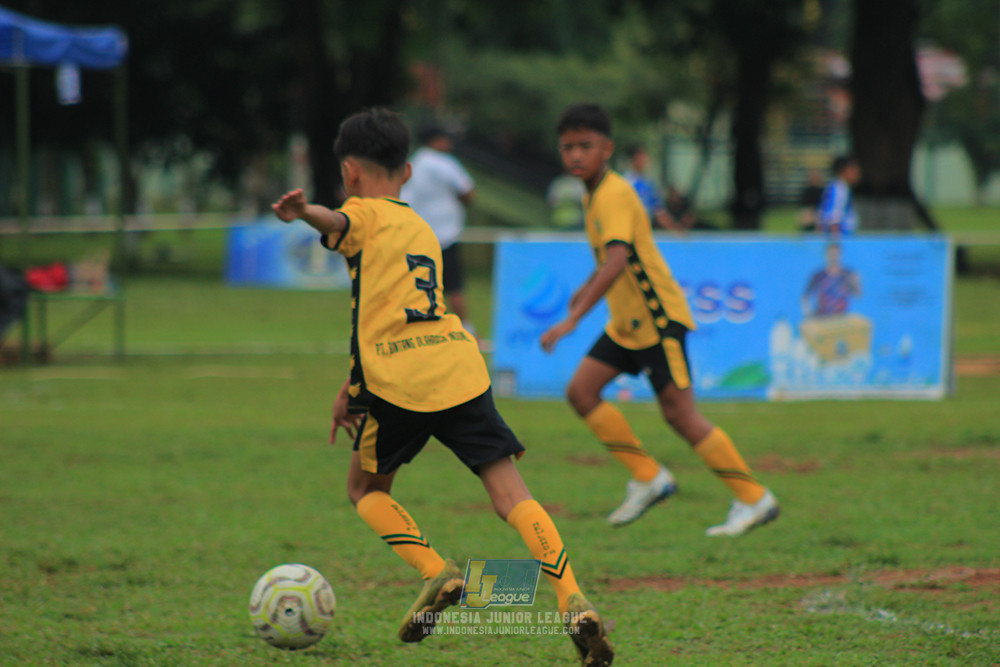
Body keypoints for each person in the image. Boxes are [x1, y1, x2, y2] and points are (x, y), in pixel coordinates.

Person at [272, 108, 613, 666]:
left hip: (399, 380)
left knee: (367, 491)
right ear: (407, 173)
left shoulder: (359, 213)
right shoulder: (421, 227)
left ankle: (437, 572)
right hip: (458, 366)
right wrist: (347, 387)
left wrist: (302, 212)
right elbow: (394, 310)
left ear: (350, 173)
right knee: (513, 496)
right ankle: (570, 595)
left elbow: (337, 225)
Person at [540, 103, 779, 536]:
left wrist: (574, 317)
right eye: (568, 147)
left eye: (585, 146)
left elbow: (617, 260)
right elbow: (617, 258)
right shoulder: (595, 192)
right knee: (581, 391)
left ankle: (754, 498)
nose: (576, 155)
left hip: (657, 321)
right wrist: (585, 286)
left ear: (607, 148)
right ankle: (648, 477)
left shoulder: (613, 193)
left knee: (682, 416)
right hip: (627, 325)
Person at [400, 122, 477, 334]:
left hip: (419, 232)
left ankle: (419, 328)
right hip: (445, 233)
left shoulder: (414, 163)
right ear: (435, 140)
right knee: (454, 284)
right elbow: (468, 191)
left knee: (420, 283)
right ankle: (466, 329)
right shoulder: (444, 162)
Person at [802, 242, 861, 317]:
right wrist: (808, 314)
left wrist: (856, 283)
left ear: (840, 255)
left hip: (841, 317)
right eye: (831, 254)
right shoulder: (818, 275)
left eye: (836, 254)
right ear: (826, 255)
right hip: (822, 317)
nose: (833, 257)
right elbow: (805, 297)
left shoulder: (848, 274)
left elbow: (858, 295)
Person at [621, 146, 673, 230]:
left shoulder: (648, 183)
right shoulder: (626, 182)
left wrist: (675, 229)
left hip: (644, 230)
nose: (644, 161)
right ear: (634, 159)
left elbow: (659, 210)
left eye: (645, 158)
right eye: (641, 158)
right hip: (628, 230)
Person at [817, 155, 860, 237]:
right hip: (840, 238)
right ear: (842, 170)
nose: (857, 171)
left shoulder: (837, 186)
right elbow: (834, 219)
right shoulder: (840, 189)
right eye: (853, 169)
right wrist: (835, 242)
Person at [796, 168, 825, 233]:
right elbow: (804, 205)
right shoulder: (807, 191)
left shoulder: (823, 191)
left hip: (820, 212)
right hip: (810, 212)